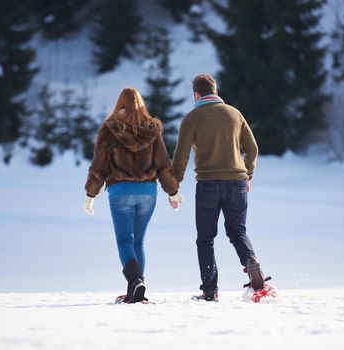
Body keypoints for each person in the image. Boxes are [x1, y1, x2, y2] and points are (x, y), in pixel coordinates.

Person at [170, 74, 267, 301]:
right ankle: (251, 261)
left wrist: (173, 189)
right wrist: (248, 175)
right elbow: (252, 149)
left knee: (205, 238)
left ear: (196, 94)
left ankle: (210, 291)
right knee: (237, 231)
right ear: (215, 91)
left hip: (208, 185)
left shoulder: (192, 118)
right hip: (237, 183)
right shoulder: (235, 114)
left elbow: (181, 157)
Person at [83, 87, 183, 303]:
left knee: (124, 240)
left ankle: (135, 281)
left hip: (120, 192)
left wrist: (91, 194)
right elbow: (164, 164)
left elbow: (99, 165)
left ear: (119, 104)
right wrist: (173, 191)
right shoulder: (152, 129)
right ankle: (137, 287)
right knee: (138, 241)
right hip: (148, 192)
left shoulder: (110, 129)